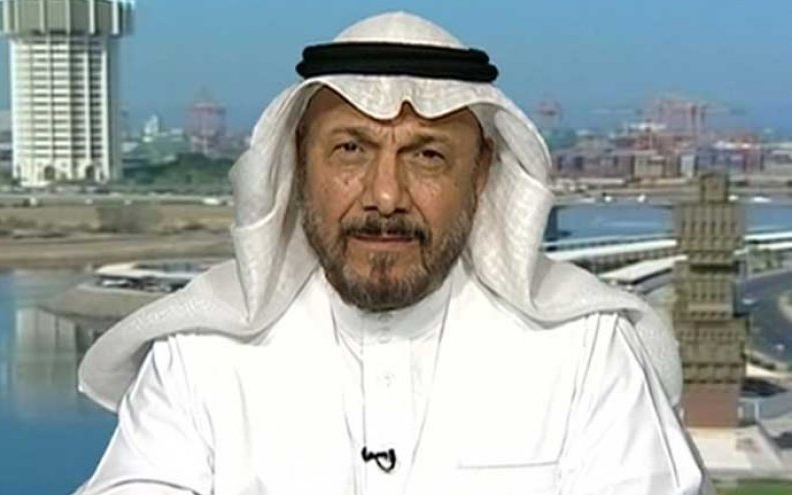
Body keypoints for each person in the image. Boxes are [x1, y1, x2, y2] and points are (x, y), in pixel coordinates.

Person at [75, 11, 713, 495]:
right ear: (300, 164)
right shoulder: (199, 356)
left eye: (427, 155)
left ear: (480, 173)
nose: (385, 195)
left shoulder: (586, 351)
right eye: (351, 149)